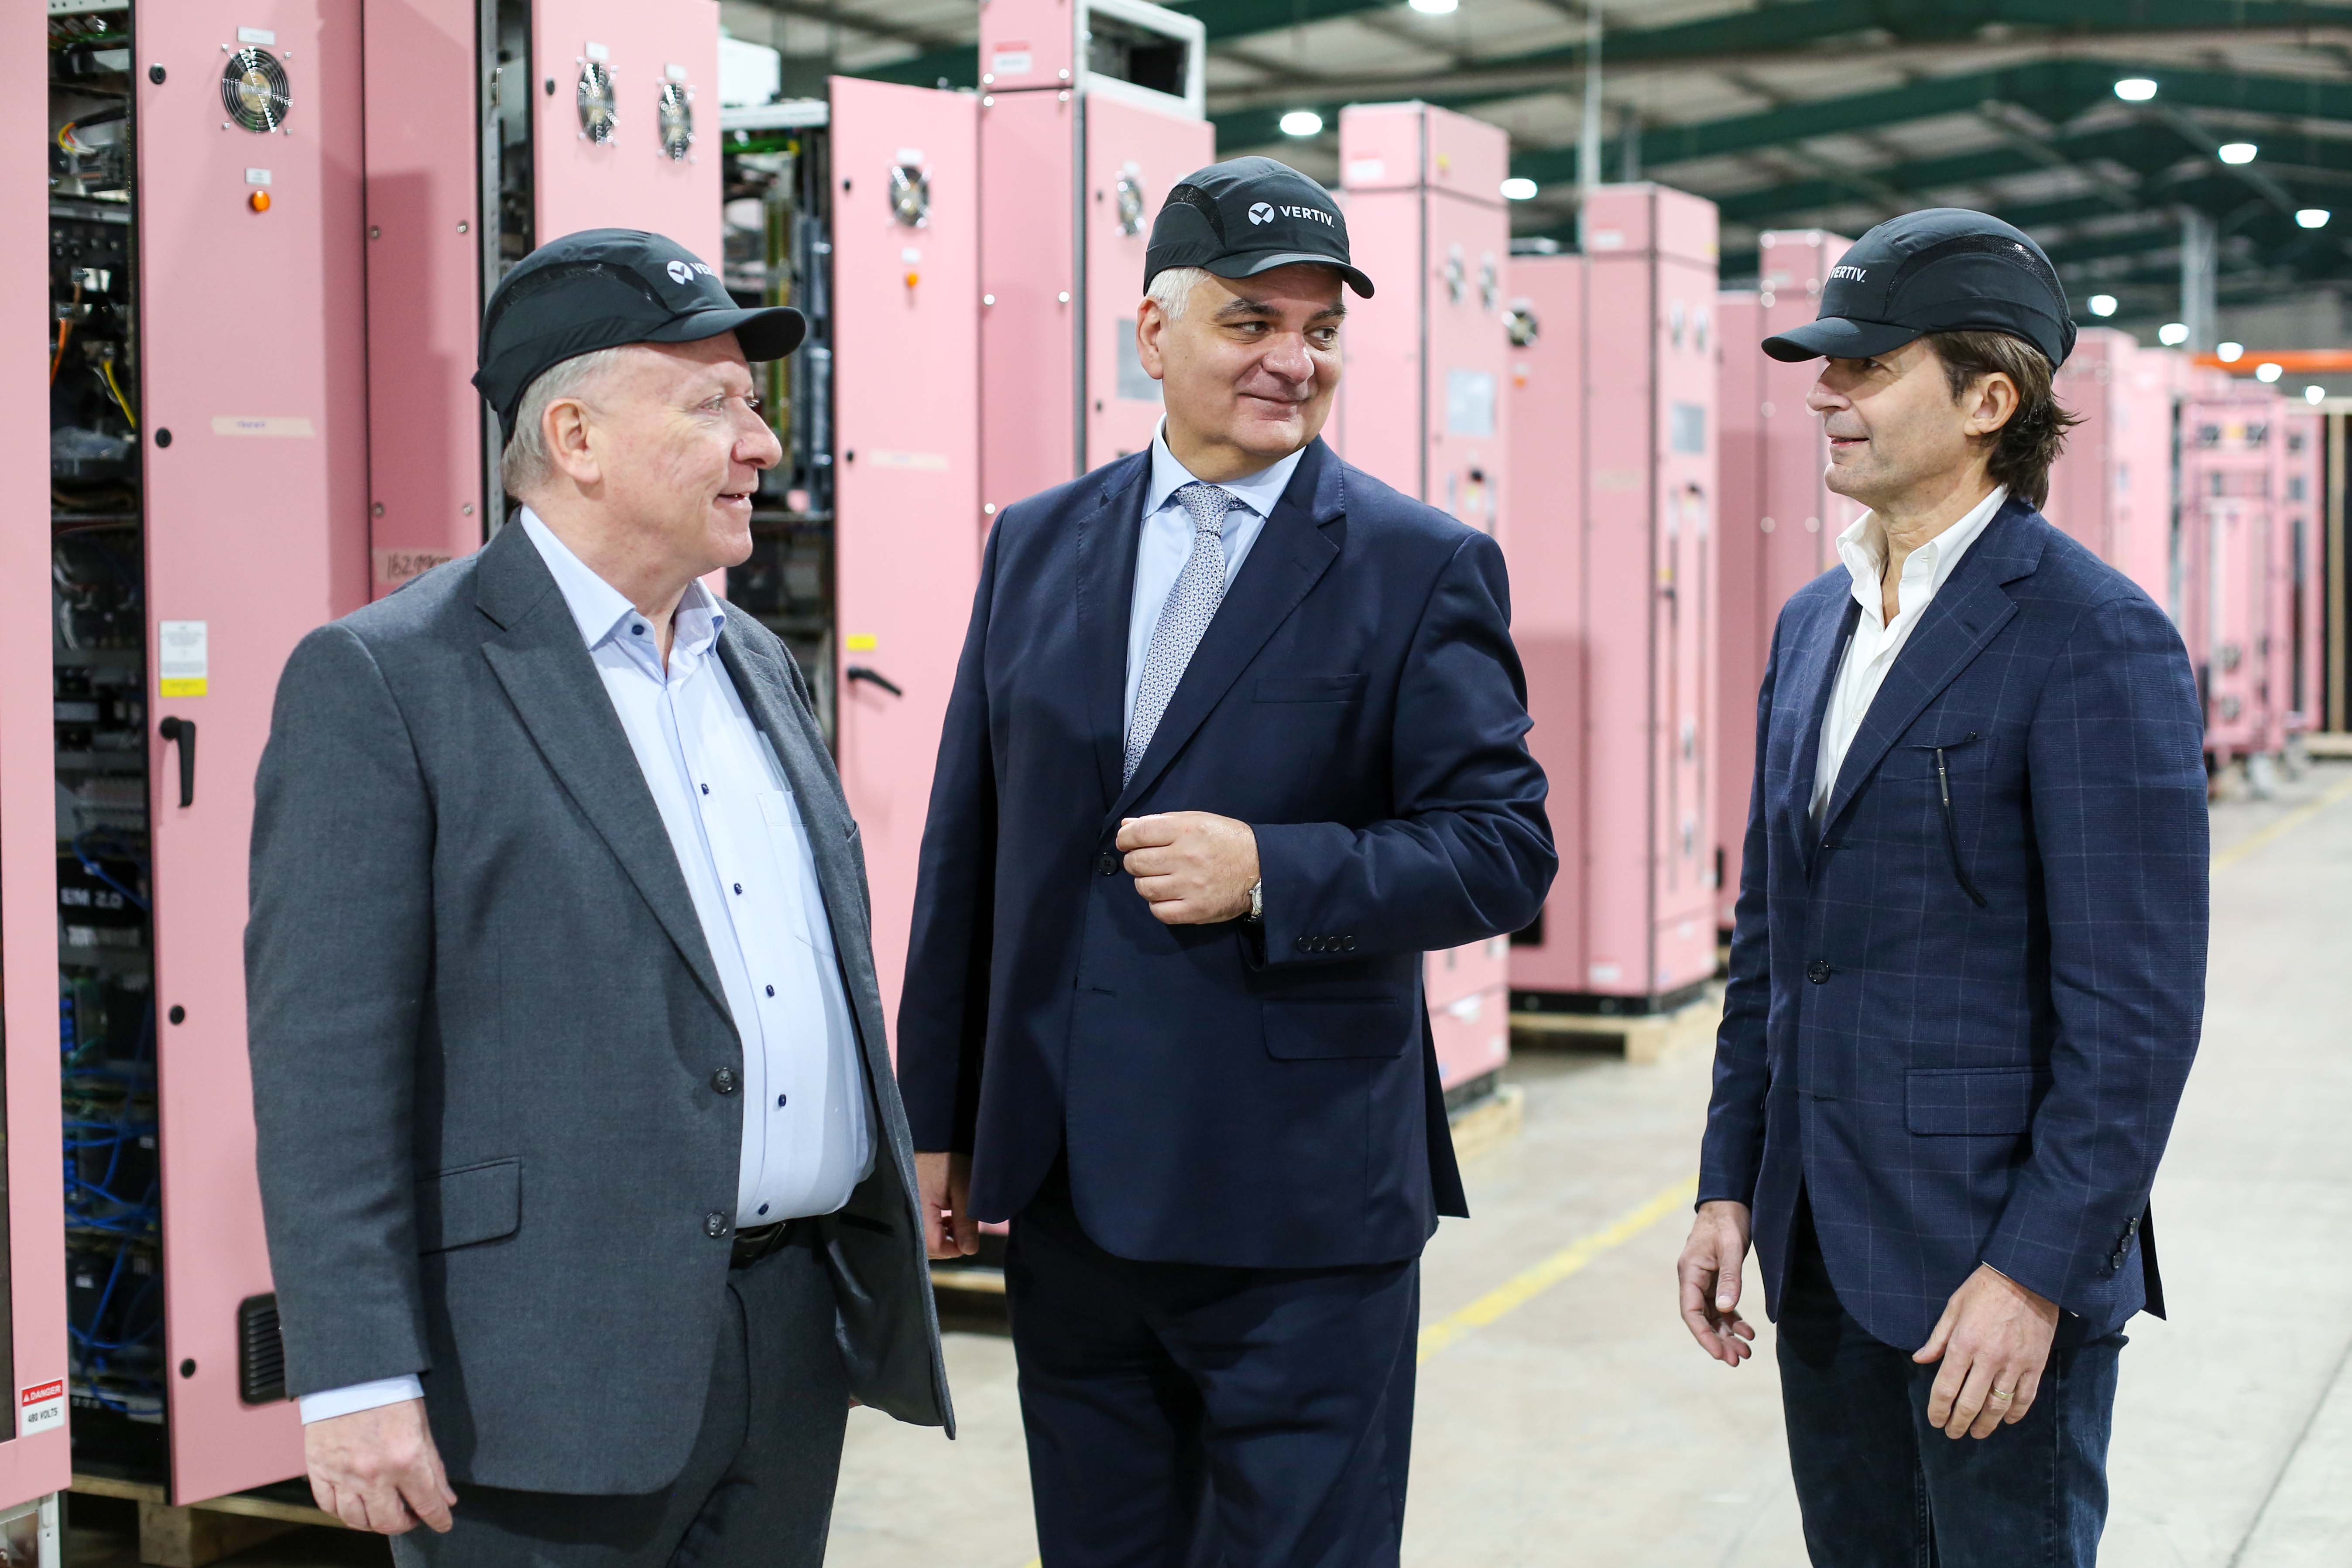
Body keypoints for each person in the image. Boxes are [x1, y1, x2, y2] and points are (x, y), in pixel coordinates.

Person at [245, 229, 949, 1568]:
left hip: (786, 1337)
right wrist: (352, 1377)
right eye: (715, 404)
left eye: (753, 403)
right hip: (539, 1370)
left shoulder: (755, 662)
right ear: (575, 436)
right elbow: (323, 1057)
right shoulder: (392, 679)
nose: (762, 446)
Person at [895, 154, 1555, 1565]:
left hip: (1299, 1212)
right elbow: (974, 842)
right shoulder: (1038, 543)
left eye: (1319, 332)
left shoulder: (1414, 563)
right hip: (1073, 1192)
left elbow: (1504, 851)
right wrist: (936, 1113)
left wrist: (1275, 870)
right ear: (1155, 334)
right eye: (1252, 322)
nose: (1291, 361)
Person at [1676, 209, 2208, 1566]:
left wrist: (2034, 1273)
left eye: (1866, 366)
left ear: (1990, 398)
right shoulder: (1817, 624)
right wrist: (1728, 1180)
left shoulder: (2093, 637)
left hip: (1987, 1266)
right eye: (1824, 364)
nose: (1824, 392)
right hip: (1817, 1245)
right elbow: (1773, 939)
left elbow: (2132, 1019)